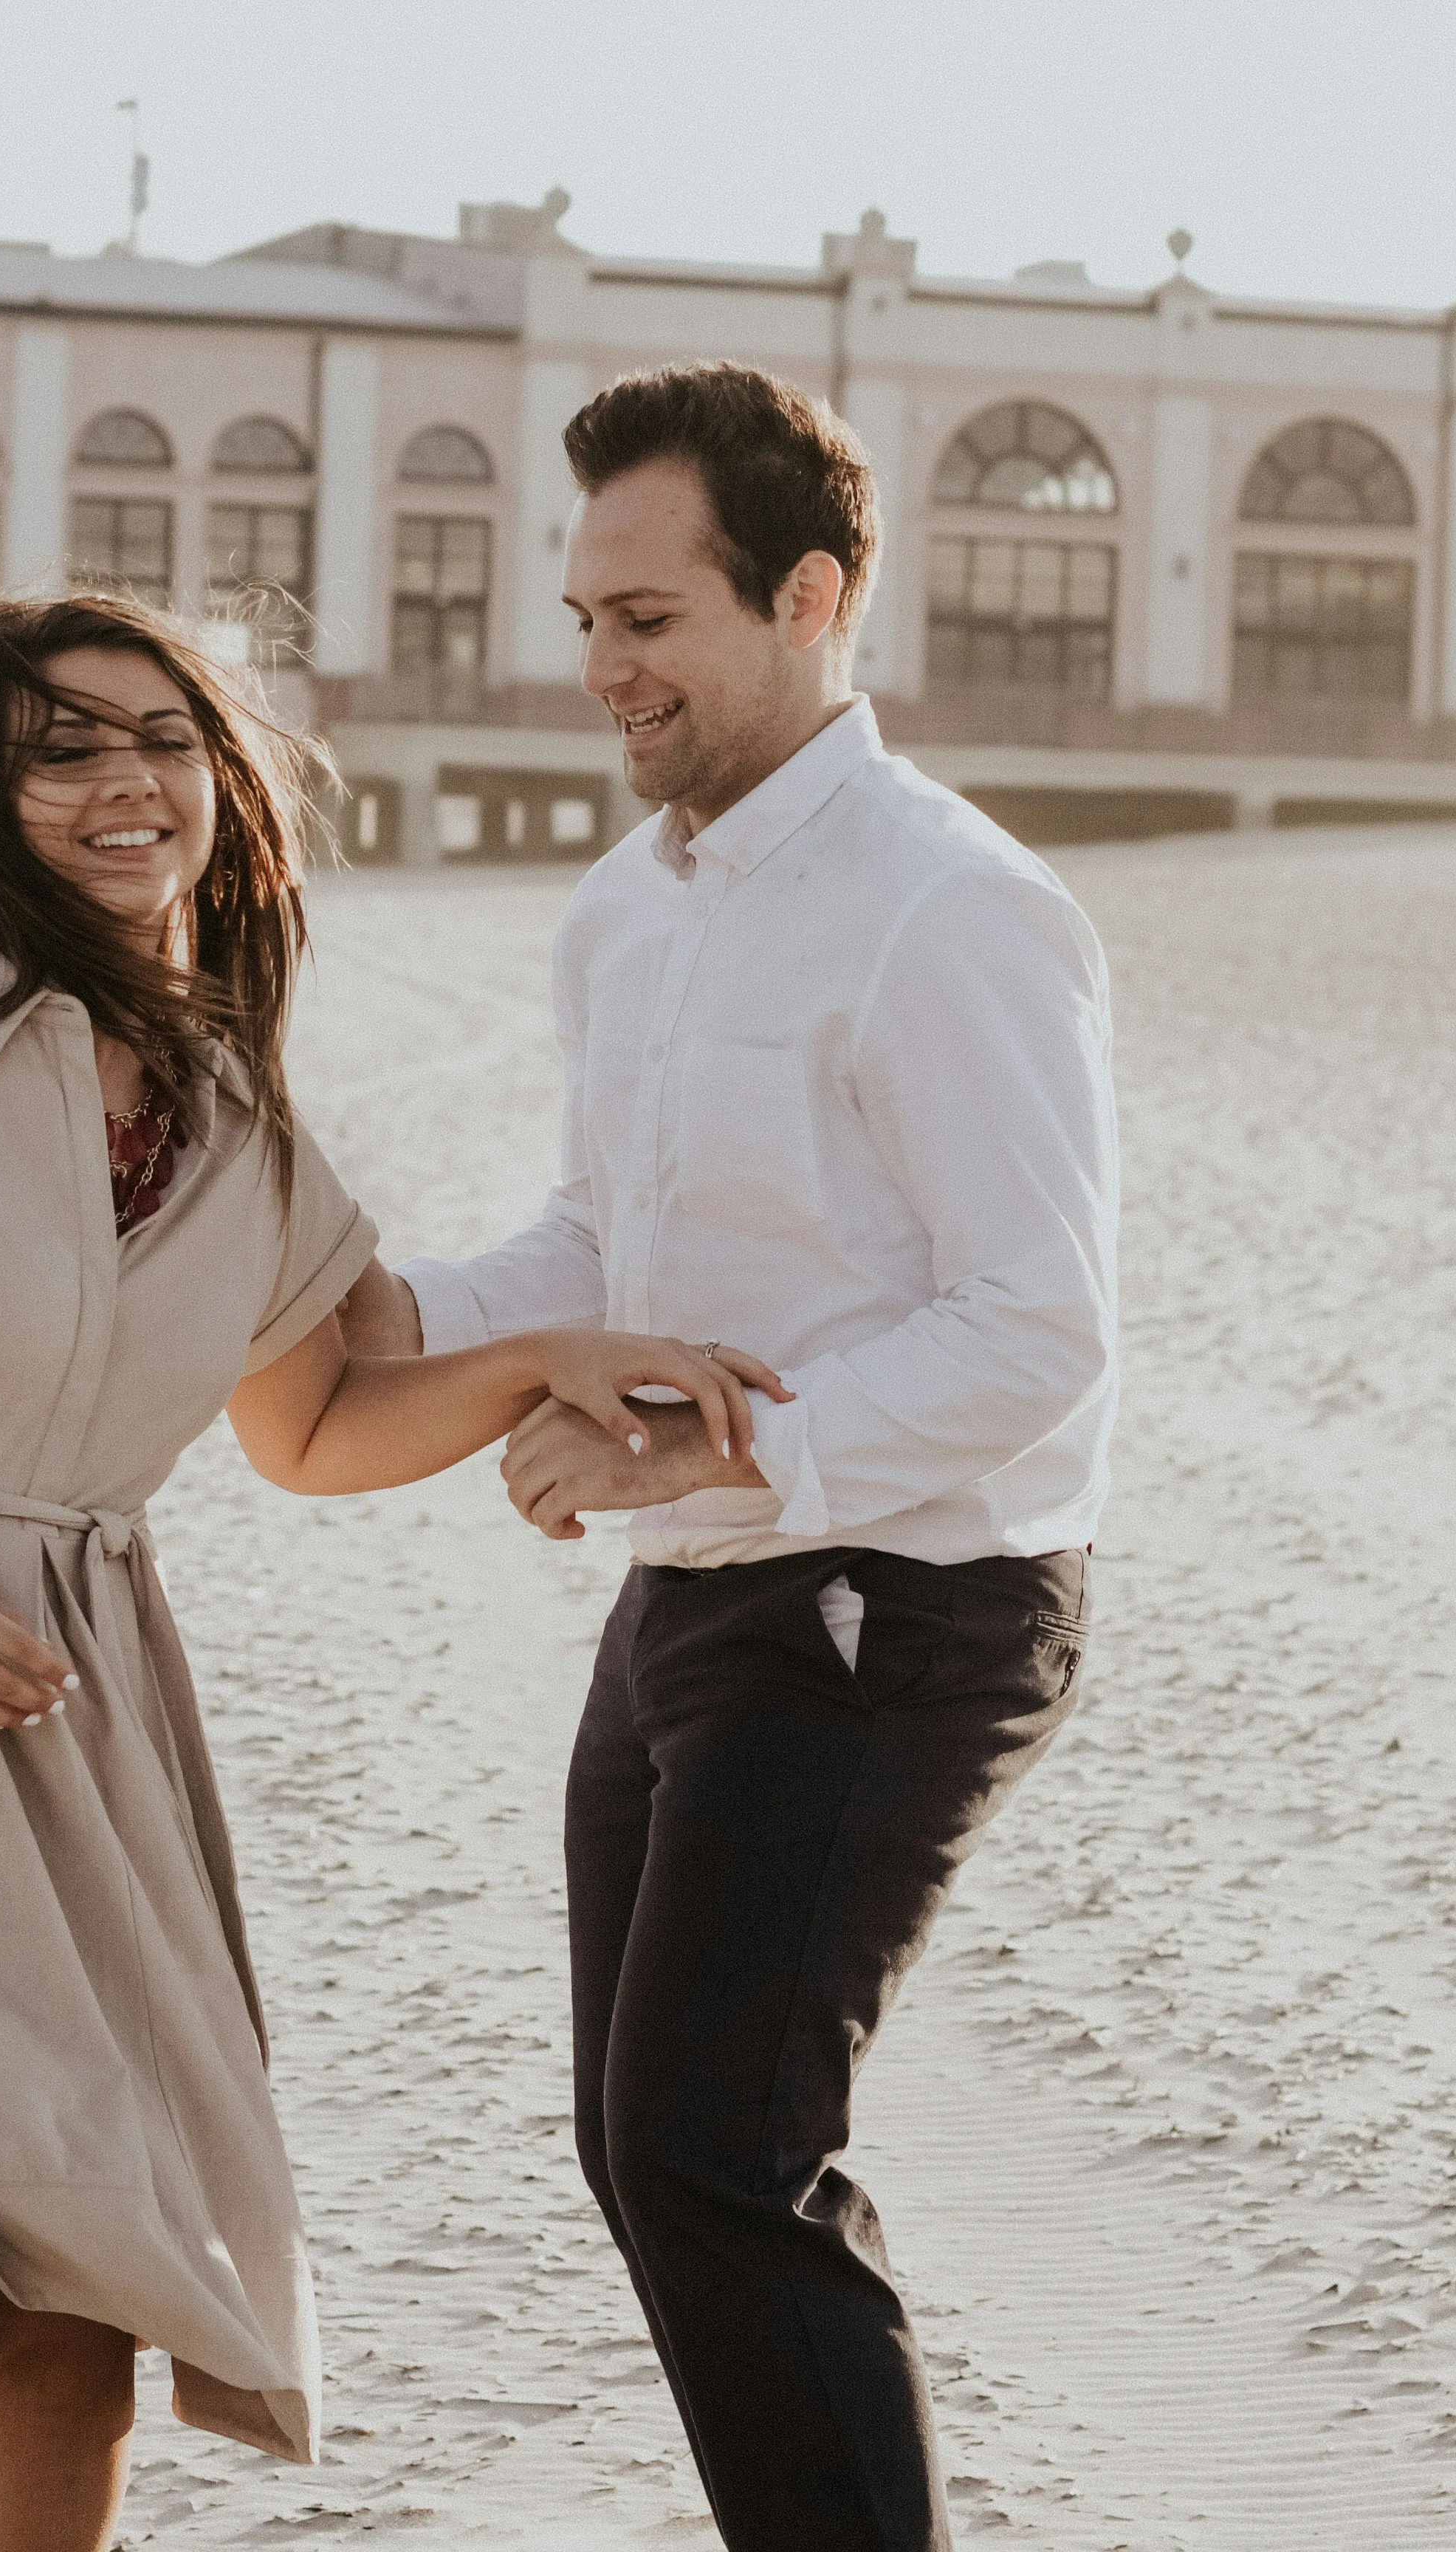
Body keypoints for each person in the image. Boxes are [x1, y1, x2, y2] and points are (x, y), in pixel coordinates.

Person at [0, 589, 781, 2552]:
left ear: (226, 783)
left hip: (76, 1757)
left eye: (161, 739)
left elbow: (314, 1424)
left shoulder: (239, 1126)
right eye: (60, 748)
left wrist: (539, 1367)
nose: (120, 782)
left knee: (73, 2329)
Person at [347, 362, 1120, 2552]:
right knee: (646, 2153)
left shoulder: (952, 907)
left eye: (650, 620)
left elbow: (1040, 1331)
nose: (603, 668)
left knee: (714, 2153)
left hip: (904, 1605)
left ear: (812, 596)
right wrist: (383, 1317)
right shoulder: (627, 910)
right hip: (692, 1601)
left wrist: (707, 1457)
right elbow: (605, 1242)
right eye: (585, 619)